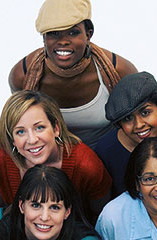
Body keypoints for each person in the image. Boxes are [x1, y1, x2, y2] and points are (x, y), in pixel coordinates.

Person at [8, 0, 137, 147]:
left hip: (109, 157)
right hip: (46, 158)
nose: (63, 41)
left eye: (73, 32)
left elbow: (140, 125)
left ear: (88, 35)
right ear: (44, 38)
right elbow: (19, 126)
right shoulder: (22, 76)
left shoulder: (119, 70)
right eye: (54, 33)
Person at [0, 90, 112, 221]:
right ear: (12, 139)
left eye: (39, 127)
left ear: (56, 128)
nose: (32, 140)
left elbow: (101, 219)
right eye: (20, 132)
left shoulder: (86, 165)